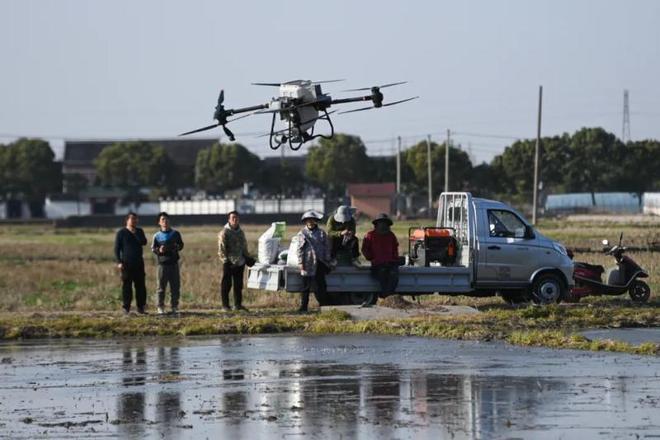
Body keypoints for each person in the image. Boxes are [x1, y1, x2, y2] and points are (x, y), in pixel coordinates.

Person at [361, 213, 399, 307]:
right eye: (380, 223)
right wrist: (371, 258)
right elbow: (365, 249)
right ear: (376, 224)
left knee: (394, 275)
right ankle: (386, 297)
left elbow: (395, 249)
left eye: (384, 223)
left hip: (390, 264)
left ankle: (388, 297)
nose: (383, 225)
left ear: (388, 225)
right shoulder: (370, 235)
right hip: (377, 264)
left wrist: (394, 259)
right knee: (382, 275)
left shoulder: (391, 235)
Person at [296, 210, 331, 313]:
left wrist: (327, 260)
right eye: (308, 220)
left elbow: (326, 247)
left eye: (312, 220)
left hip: (320, 262)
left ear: (316, 221)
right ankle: (303, 307)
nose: (310, 222)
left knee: (321, 286)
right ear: (306, 222)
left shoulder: (321, 233)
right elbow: (299, 250)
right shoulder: (302, 233)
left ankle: (323, 306)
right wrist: (301, 263)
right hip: (307, 263)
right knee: (305, 287)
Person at [114, 212, 148, 315]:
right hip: (126, 264)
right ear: (127, 220)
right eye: (132, 219)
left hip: (138, 263)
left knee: (140, 286)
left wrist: (135, 233)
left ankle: (141, 307)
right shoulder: (121, 233)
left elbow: (144, 242)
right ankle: (126, 308)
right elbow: (117, 249)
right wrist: (119, 262)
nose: (134, 221)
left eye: (136, 219)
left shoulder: (139, 231)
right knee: (127, 286)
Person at [151, 212, 184, 315]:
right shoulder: (156, 236)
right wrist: (159, 250)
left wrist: (173, 247)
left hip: (174, 263)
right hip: (162, 264)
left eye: (166, 219)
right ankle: (160, 307)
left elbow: (181, 245)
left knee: (175, 287)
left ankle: (174, 306)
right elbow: (153, 248)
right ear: (159, 223)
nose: (165, 221)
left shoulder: (175, 234)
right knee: (161, 287)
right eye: (162, 220)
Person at [218, 211, 252, 311]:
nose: (235, 220)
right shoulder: (224, 232)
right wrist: (226, 261)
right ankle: (225, 306)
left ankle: (237, 305)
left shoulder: (241, 232)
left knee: (238, 285)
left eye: (236, 218)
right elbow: (221, 249)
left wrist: (247, 257)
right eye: (232, 218)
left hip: (240, 262)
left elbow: (244, 246)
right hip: (228, 262)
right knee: (226, 285)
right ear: (229, 220)